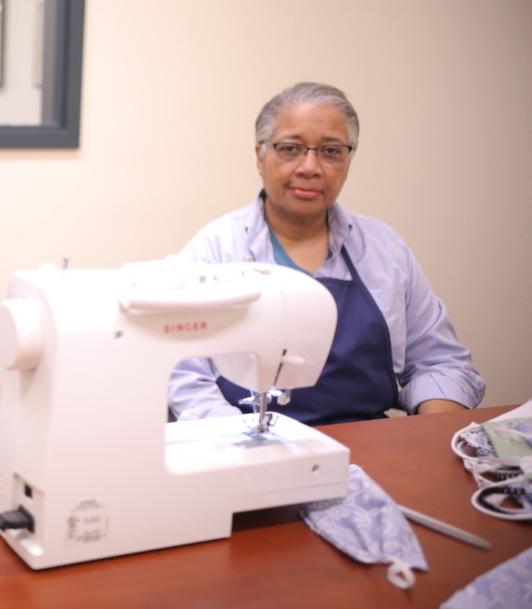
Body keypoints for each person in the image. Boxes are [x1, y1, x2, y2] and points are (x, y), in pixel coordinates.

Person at [168, 82, 485, 426]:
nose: (310, 167)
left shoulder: (385, 248)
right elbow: (185, 377)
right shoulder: (214, 249)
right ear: (260, 156)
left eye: (331, 151)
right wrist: (241, 446)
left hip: (371, 447)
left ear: (349, 160)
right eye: (290, 148)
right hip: (248, 447)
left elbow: (439, 362)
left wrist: (430, 437)